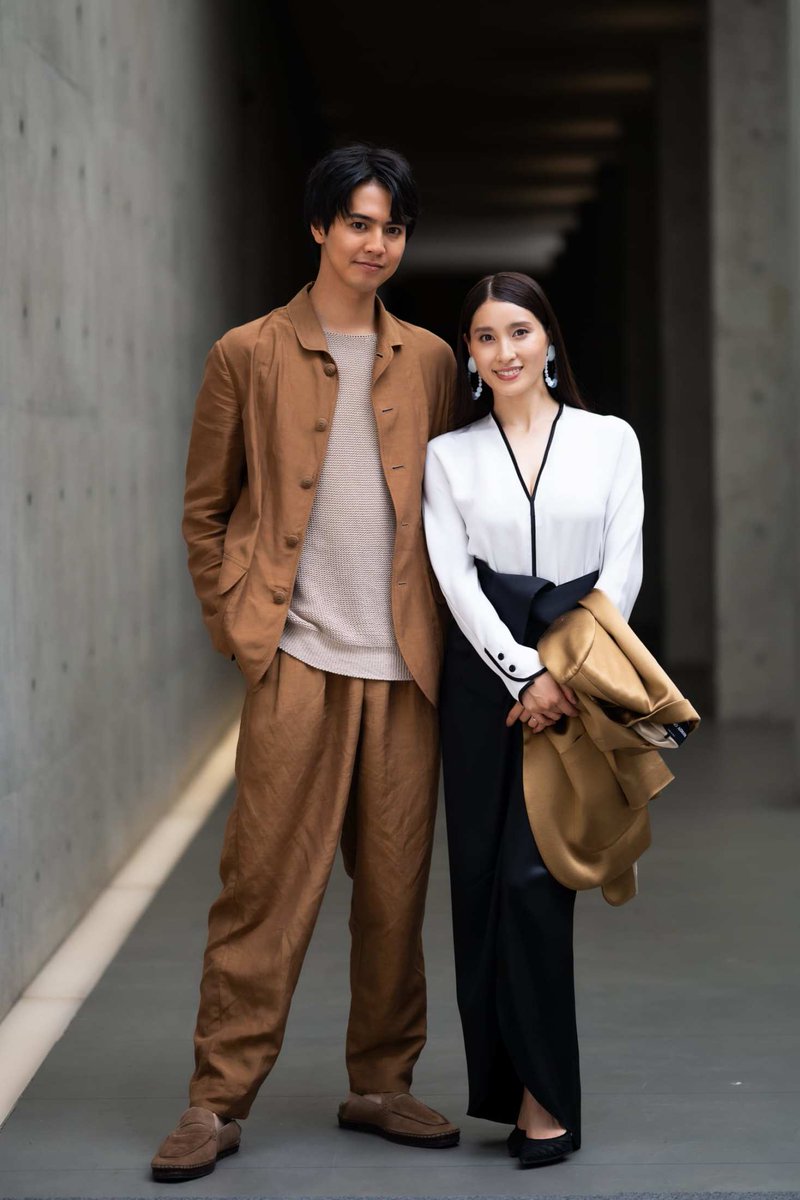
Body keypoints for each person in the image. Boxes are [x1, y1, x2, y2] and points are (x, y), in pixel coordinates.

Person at [151, 144, 459, 1183]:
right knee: (262, 888)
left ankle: (380, 1081)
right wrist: (240, 626)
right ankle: (215, 1099)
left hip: (405, 669)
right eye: (359, 223)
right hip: (296, 656)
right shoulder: (247, 351)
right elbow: (203, 508)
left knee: (395, 891)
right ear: (318, 228)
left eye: (393, 227)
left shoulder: (429, 361)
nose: (376, 243)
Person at [422, 272, 644, 1169]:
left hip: (581, 675)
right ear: (471, 357)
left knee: (534, 880)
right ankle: (508, 1088)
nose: (505, 351)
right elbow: (455, 583)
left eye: (519, 331)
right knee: (479, 887)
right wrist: (520, 668)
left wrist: (562, 671)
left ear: (548, 338)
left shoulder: (610, 440)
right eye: (485, 337)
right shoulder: (450, 455)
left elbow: (621, 568)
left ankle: (548, 1098)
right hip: (487, 687)